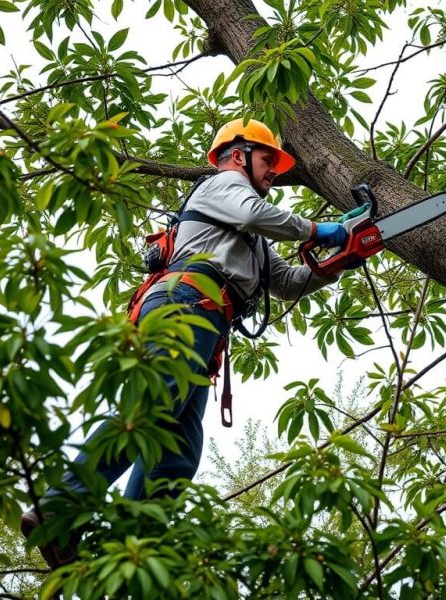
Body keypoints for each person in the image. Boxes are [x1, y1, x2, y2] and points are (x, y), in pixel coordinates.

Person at [21, 118, 351, 568]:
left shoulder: (251, 235)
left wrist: (339, 260)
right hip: (186, 304)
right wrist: (318, 229)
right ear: (238, 156)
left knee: (178, 453)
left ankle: (128, 556)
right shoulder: (224, 186)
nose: (274, 171)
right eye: (267, 159)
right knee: (154, 406)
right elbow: (254, 214)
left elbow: (287, 283)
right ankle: (58, 508)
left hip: (205, 320)